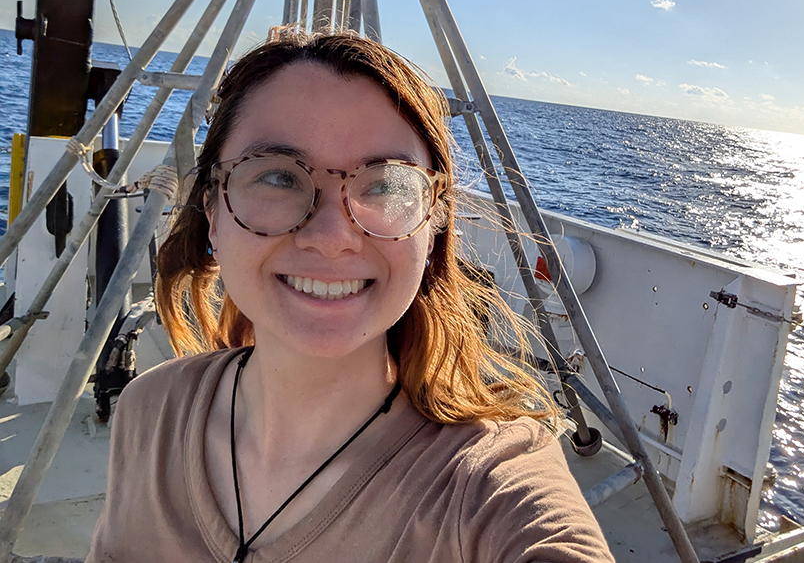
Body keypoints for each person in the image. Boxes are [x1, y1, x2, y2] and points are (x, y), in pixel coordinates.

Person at [86, 30, 615, 562]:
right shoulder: (149, 411)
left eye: (385, 184)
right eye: (277, 176)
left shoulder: (488, 484)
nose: (332, 237)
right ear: (213, 214)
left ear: (433, 225)